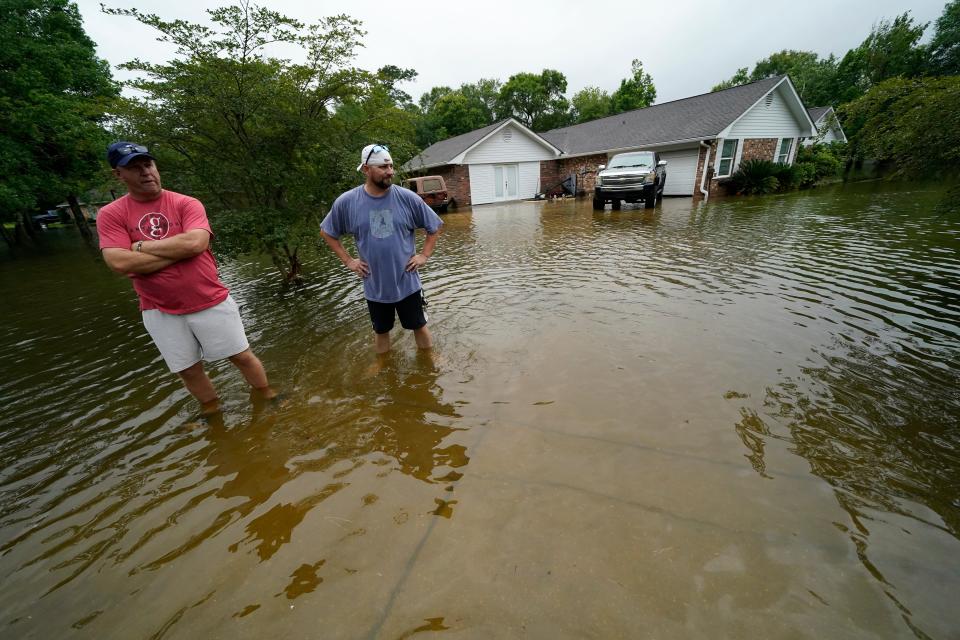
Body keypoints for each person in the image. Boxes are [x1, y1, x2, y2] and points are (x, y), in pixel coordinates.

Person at [97, 141, 275, 414]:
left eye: (148, 164)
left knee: (240, 356)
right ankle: (212, 412)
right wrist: (178, 250)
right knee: (188, 369)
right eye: (135, 168)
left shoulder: (185, 203)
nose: (146, 172)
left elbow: (196, 244)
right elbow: (118, 262)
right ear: (118, 175)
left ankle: (267, 395)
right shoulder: (111, 214)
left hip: (209, 298)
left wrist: (140, 246)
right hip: (158, 308)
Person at [320, 143, 443, 354]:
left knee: (419, 325)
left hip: (407, 281)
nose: (390, 172)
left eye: (391, 166)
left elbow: (435, 226)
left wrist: (424, 255)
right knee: (381, 330)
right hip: (374, 285)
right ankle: (383, 366)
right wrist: (349, 261)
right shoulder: (347, 202)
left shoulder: (407, 198)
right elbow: (327, 232)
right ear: (366, 169)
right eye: (383, 167)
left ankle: (430, 361)